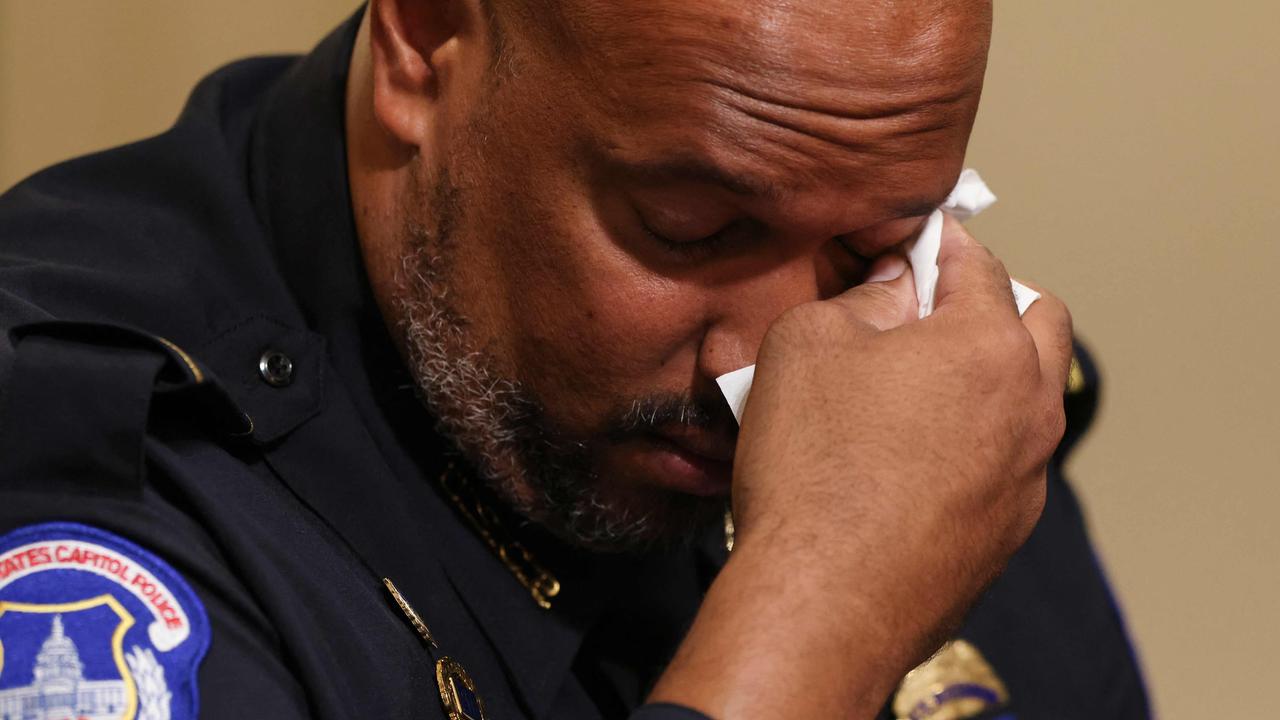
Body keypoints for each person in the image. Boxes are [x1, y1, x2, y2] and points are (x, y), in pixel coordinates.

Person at [0, 1, 1149, 718]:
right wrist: (822, 609)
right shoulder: (87, 484)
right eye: (691, 229)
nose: (776, 362)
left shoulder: (919, 360)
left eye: (877, 238)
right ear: (422, 40)